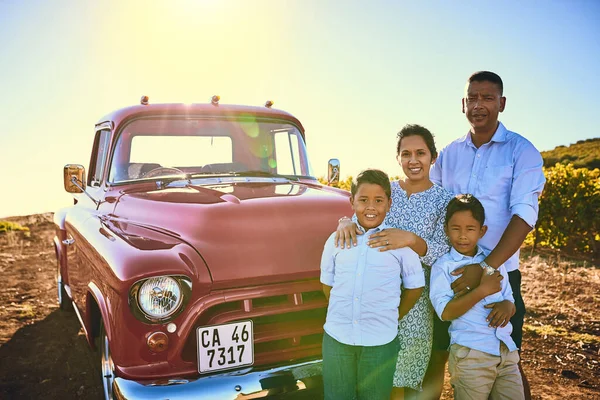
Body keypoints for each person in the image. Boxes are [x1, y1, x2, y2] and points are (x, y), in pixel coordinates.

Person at [429, 70, 546, 399]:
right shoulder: (449, 154)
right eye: (473, 98)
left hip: (501, 278)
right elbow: (430, 205)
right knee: (443, 354)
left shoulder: (521, 151)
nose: (479, 105)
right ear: (463, 104)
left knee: (508, 356)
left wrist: (484, 269)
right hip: (451, 276)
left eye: (488, 98)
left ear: (502, 103)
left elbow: (524, 215)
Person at [335, 125, 453, 399]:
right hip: (372, 293)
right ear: (397, 158)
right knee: (372, 373)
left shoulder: (444, 200)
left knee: (397, 377)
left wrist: (411, 239)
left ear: (432, 157)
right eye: (406, 153)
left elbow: (442, 253)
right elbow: (361, 220)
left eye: (421, 153)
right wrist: (344, 221)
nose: (413, 160)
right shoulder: (387, 190)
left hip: (413, 301)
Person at [320, 169, 426, 400]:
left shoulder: (398, 243)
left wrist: (393, 315)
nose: (371, 207)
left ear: (389, 203)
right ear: (352, 202)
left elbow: (415, 286)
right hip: (338, 338)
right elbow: (327, 283)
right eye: (363, 200)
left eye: (378, 201)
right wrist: (343, 310)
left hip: (380, 341)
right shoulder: (336, 240)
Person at [429, 194, 524, 400]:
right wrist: (481, 290)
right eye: (456, 228)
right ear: (446, 229)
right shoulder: (444, 267)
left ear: (482, 231)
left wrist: (508, 306)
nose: (463, 235)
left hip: (505, 351)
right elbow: (445, 313)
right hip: (471, 354)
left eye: (470, 229)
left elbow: (510, 299)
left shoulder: (494, 260)